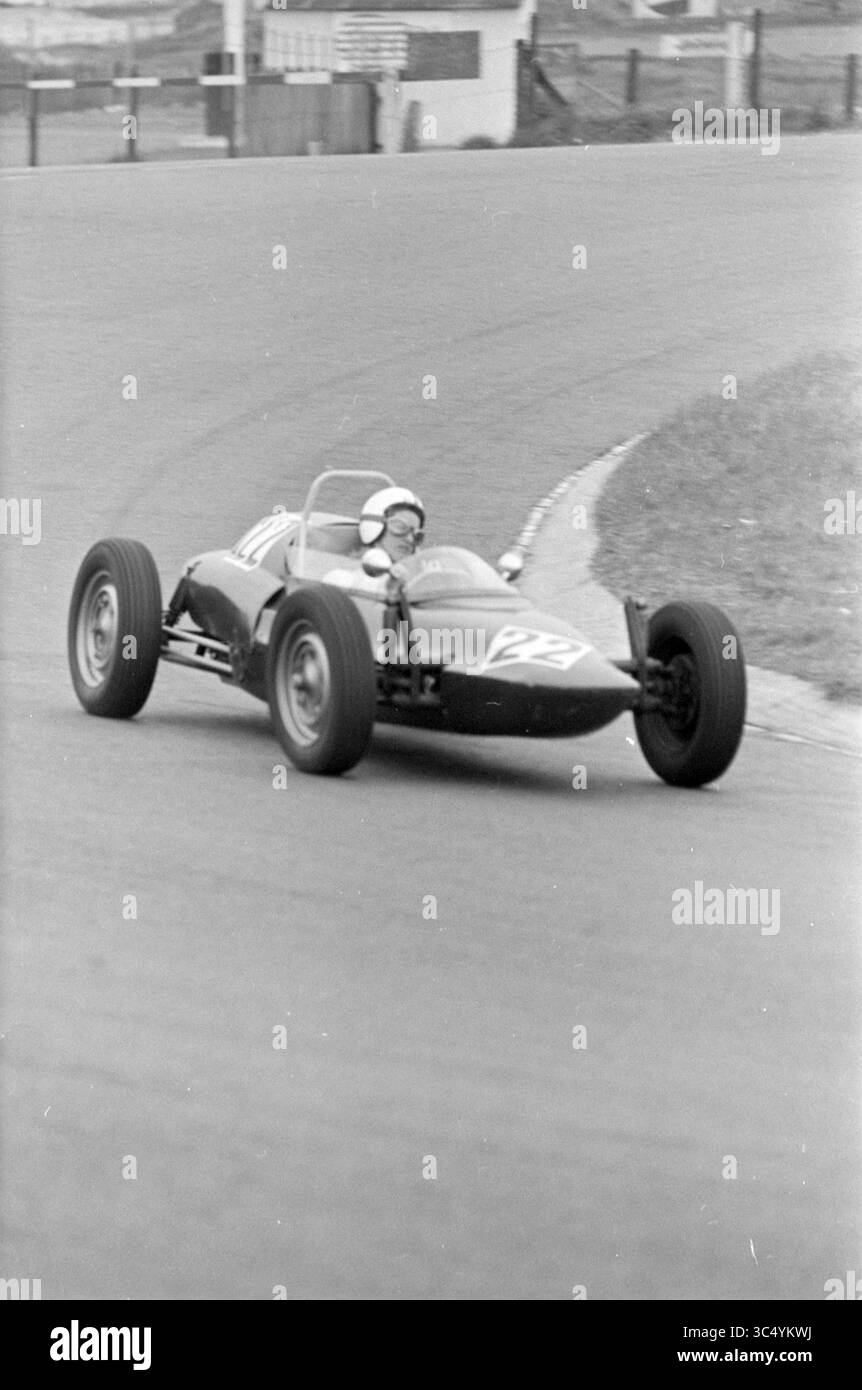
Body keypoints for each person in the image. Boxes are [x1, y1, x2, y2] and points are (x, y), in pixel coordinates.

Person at [323, 486, 426, 593]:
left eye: (417, 535)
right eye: (400, 527)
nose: (410, 539)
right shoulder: (342, 580)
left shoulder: (417, 581)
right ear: (375, 526)